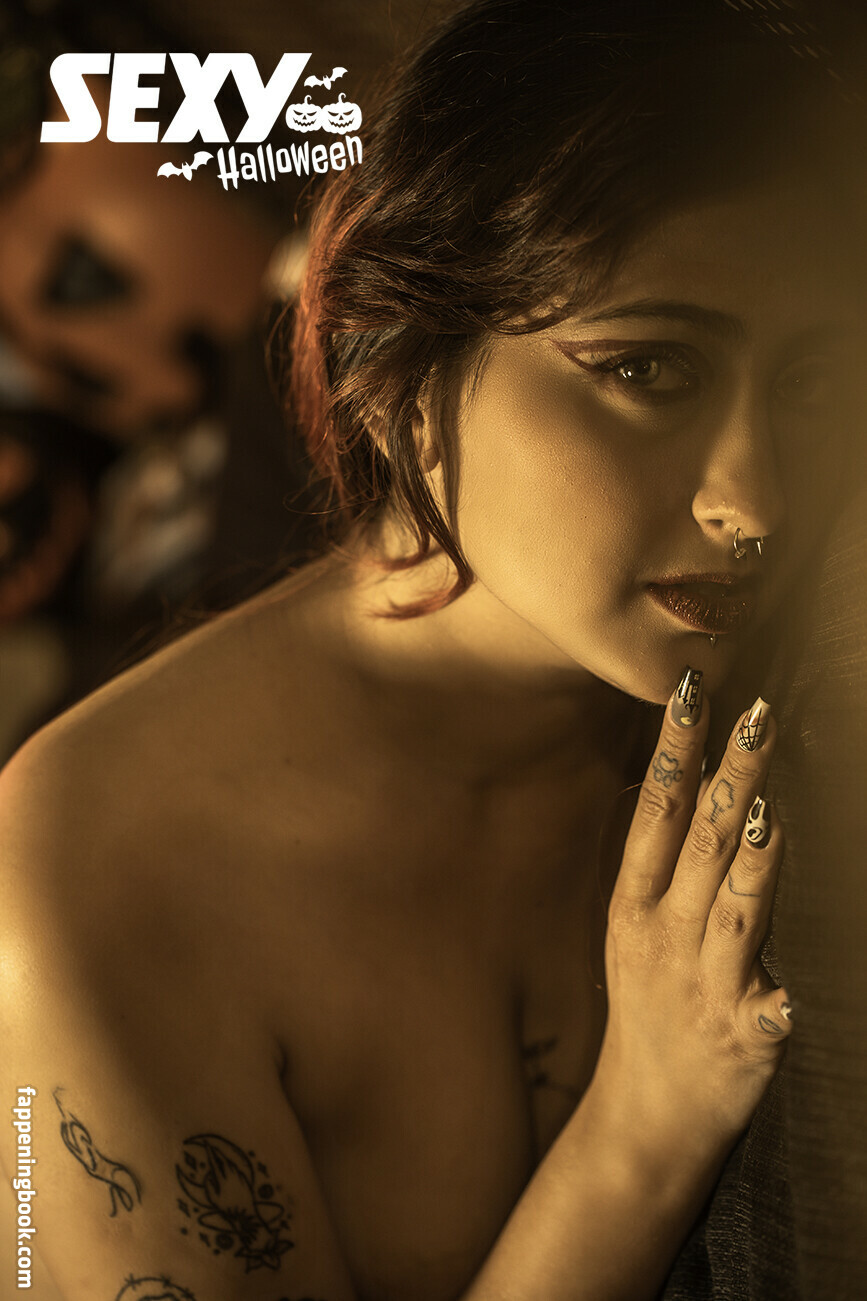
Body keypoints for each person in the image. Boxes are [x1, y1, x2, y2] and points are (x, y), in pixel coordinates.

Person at [1, 1, 864, 1298]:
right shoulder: (90, 884)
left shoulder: (777, 660)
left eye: (809, 386)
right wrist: (643, 1131)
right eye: (649, 372)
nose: (756, 503)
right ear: (396, 374)